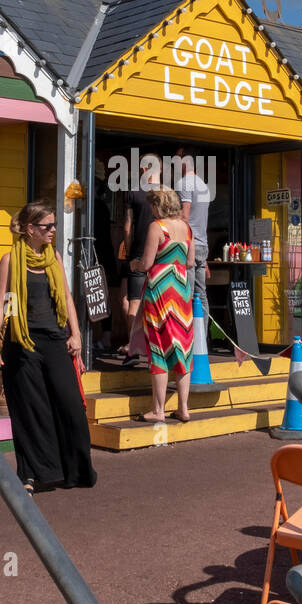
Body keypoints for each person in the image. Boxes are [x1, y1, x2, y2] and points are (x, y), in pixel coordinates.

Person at [0, 201, 96, 494]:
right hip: (22, 342)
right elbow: (0, 305)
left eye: (55, 225)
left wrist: (77, 335)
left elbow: (67, 298)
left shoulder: (54, 257)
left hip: (56, 339)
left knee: (70, 406)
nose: (54, 231)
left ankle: (75, 471)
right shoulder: (10, 260)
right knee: (32, 410)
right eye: (48, 226)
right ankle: (31, 474)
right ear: (31, 229)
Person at [130, 186, 195, 423]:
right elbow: (189, 262)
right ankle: (184, 408)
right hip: (181, 289)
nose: (151, 210)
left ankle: (158, 410)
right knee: (182, 347)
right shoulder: (187, 229)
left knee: (158, 347)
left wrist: (134, 264)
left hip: (159, 290)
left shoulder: (157, 227)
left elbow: (147, 263)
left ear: (158, 205)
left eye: (152, 206)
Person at [119, 153, 160, 367]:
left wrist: (128, 250)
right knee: (160, 301)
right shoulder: (167, 194)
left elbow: (127, 225)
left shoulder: (134, 192)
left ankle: (133, 348)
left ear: (144, 170)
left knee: (133, 301)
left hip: (138, 253)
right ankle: (159, 350)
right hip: (161, 254)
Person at [174, 148, 211, 318]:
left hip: (189, 244)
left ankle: (186, 339)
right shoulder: (203, 185)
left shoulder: (184, 183)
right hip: (202, 244)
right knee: (201, 295)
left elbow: (185, 216)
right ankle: (201, 340)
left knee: (186, 293)